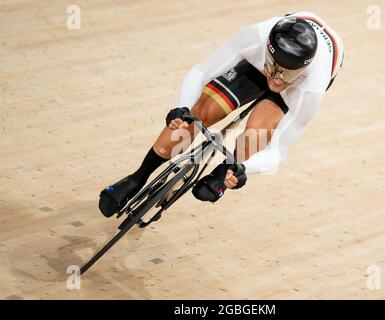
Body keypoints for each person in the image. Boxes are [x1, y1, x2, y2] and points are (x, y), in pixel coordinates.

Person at [99, 11, 345, 217]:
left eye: (286, 74)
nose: (276, 79)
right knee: (198, 115)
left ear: (301, 71)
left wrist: (243, 169)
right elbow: (201, 71)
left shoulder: (311, 88)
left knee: (258, 133)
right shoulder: (256, 37)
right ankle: (137, 177)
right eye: (273, 68)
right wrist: (183, 108)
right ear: (267, 51)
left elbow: (279, 151)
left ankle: (225, 172)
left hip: (297, 86)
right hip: (255, 65)